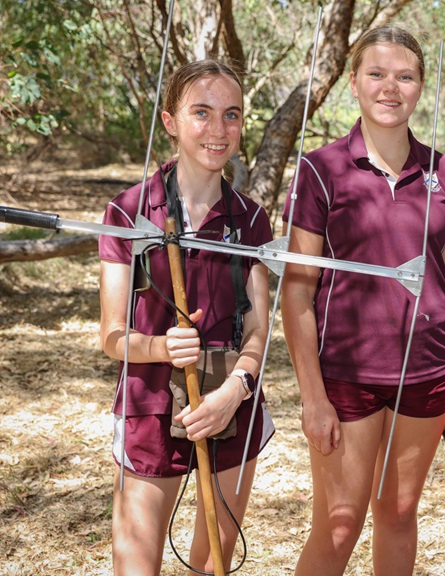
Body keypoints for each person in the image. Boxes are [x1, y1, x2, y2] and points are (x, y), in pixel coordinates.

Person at [281, 26, 445, 576]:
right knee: (339, 526)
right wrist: (313, 398)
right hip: (346, 376)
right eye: (377, 74)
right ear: (354, 85)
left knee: (400, 513)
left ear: (420, 88)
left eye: (405, 76)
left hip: (427, 372)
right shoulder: (321, 169)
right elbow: (297, 291)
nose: (391, 87)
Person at [98, 59, 275, 575]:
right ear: (171, 121)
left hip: (230, 405)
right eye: (201, 112)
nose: (218, 130)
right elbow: (111, 334)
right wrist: (159, 347)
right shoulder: (128, 212)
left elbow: (261, 327)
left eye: (231, 114)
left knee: (212, 565)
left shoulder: (251, 219)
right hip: (148, 408)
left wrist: (235, 390)